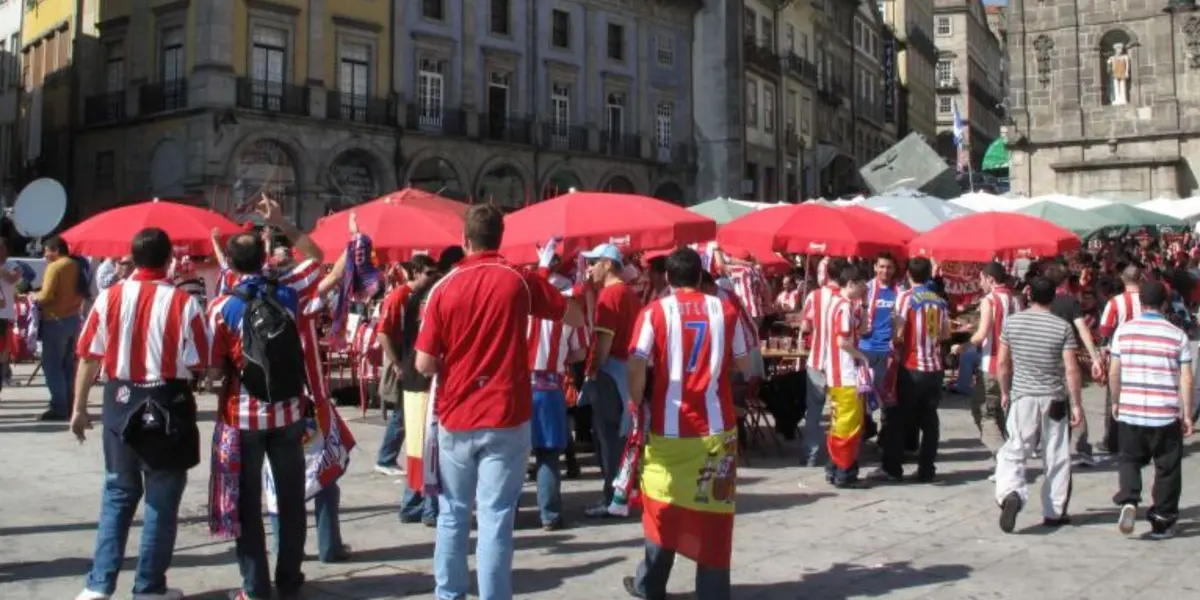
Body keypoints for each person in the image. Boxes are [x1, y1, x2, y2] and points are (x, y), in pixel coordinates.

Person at [414, 204, 583, 600]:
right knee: (496, 517)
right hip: (507, 412)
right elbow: (572, 315)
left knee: (453, 512)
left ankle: (448, 594)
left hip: (457, 413)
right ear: (500, 238)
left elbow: (423, 363)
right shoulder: (518, 281)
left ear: (464, 240)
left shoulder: (443, 287)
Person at [70, 228, 208, 600]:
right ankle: (149, 587)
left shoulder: (108, 298)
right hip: (168, 404)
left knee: (117, 494)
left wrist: (79, 408)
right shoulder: (184, 303)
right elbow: (200, 362)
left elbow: (88, 356)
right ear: (167, 260)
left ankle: (98, 585)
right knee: (161, 503)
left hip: (120, 402)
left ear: (131, 256)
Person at [208, 198, 325, 600]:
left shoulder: (222, 307)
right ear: (264, 257)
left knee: (247, 505)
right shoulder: (290, 289)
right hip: (289, 410)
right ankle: (290, 579)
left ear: (232, 266)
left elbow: (212, 369)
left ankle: (254, 589)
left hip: (242, 416)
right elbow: (316, 256)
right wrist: (281, 222)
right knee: (291, 499)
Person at [623, 247, 751, 600]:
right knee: (713, 513)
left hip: (669, 428)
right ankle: (711, 592)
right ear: (700, 277)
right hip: (716, 429)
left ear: (668, 277)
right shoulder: (725, 311)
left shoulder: (654, 312)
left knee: (662, 506)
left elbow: (635, 365)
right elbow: (743, 364)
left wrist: (636, 403)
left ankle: (651, 585)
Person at [993, 277, 1082, 533]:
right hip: (1054, 397)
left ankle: (1011, 493)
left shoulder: (1013, 322)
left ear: (1029, 295)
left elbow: (1003, 363)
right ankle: (1053, 511)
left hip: (1023, 396)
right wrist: (1076, 404)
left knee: (1015, 450)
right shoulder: (1061, 327)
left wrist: (1004, 390)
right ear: (1053, 296)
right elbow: (1071, 369)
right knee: (1056, 454)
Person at [1109, 280, 1194, 539]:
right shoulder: (1177, 334)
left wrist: (1116, 400)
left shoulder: (1124, 331)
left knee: (1129, 459)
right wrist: (1187, 413)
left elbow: (1114, 371)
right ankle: (1162, 519)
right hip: (1165, 411)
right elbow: (1187, 378)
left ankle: (1129, 500)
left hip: (1132, 408)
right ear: (1165, 303)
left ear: (1140, 303)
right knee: (1167, 467)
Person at [578, 242, 644, 519]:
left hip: (610, 374)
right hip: (627, 371)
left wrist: (593, 371)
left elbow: (603, 345)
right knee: (623, 436)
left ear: (607, 264)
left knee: (608, 440)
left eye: (593, 262)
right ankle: (626, 492)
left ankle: (612, 497)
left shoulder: (610, 295)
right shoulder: (629, 293)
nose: (589, 268)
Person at [379, 253, 441, 525]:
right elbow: (383, 332)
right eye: (429, 272)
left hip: (416, 377)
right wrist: (396, 363)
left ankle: (412, 504)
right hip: (419, 378)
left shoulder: (416, 298)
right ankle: (426, 507)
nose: (433, 277)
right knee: (426, 444)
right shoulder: (406, 298)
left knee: (417, 444)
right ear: (415, 272)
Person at [875, 257, 948, 482]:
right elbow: (945, 334)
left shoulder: (905, 298)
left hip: (911, 366)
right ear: (928, 275)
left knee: (898, 419)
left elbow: (898, 333)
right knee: (929, 422)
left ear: (908, 274)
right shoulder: (939, 301)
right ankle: (926, 469)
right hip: (934, 368)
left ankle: (892, 469)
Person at [528, 275, 586, 530]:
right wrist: (561, 361)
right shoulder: (570, 312)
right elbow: (580, 351)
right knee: (548, 454)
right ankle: (549, 515)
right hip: (550, 386)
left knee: (511, 455)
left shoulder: (520, 307)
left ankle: (505, 513)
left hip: (516, 385)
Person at [954, 262, 1021, 470]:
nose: (980, 283)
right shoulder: (1016, 300)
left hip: (991, 363)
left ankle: (1003, 459)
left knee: (983, 411)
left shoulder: (989, 300)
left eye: (982, 279)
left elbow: (982, 334)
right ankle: (1005, 457)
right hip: (1012, 365)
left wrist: (962, 346)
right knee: (1003, 411)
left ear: (990, 279)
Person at [1043, 262, 1105, 466]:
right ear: (1064, 281)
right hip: (1067, 356)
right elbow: (1082, 330)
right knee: (1074, 402)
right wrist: (1094, 356)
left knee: (1048, 404)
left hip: (1046, 358)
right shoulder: (1070, 302)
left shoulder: (1042, 301)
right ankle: (1082, 449)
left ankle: (1053, 450)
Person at [798, 257, 849, 467]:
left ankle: (811, 454)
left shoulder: (815, 296)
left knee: (814, 411)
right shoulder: (848, 299)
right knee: (839, 411)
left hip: (817, 360)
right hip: (840, 363)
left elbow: (805, 327)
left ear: (826, 272)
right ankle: (836, 454)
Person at [823, 265, 870, 488]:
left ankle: (834, 467)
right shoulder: (844, 307)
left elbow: (862, 329)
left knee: (839, 423)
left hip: (837, 375)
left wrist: (866, 304)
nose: (864, 289)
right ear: (851, 283)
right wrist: (861, 355)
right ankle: (844, 472)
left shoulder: (837, 304)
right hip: (846, 375)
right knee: (849, 427)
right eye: (862, 285)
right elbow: (843, 341)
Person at [36, 236, 87, 420]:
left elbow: (46, 295)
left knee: (52, 365)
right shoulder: (77, 265)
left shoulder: (55, 267)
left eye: (47, 250)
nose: (45, 255)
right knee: (67, 365)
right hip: (73, 320)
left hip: (55, 320)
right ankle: (69, 404)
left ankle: (59, 406)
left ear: (55, 250)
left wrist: (32, 296)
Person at [1096, 264, 1145, 454]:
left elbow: (1105, 330)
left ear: (1123, 280)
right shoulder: (1147, 301)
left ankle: (1113, 442)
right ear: (1140, 279)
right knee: (1140, 397)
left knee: (1115, 397)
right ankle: (1140, 440)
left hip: (1119, 356)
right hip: (1142, 356)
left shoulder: (1115, 303)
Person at [858, 253, 900, 441]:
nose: (885, 271)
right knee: (864, 391)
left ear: (894, 269)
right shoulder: (865, 289)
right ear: (875, 267)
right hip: (865, 347)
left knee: (885, 393)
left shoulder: (898, 291)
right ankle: (865, 427)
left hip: (887, 350)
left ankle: (885, 434)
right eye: (881, 266)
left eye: (889, 267)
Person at [0, 239, 22, 397]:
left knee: (4, 351)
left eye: (1, 248)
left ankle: (5, 374)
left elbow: (13, 278)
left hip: (5, 314)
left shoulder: (12, 264)